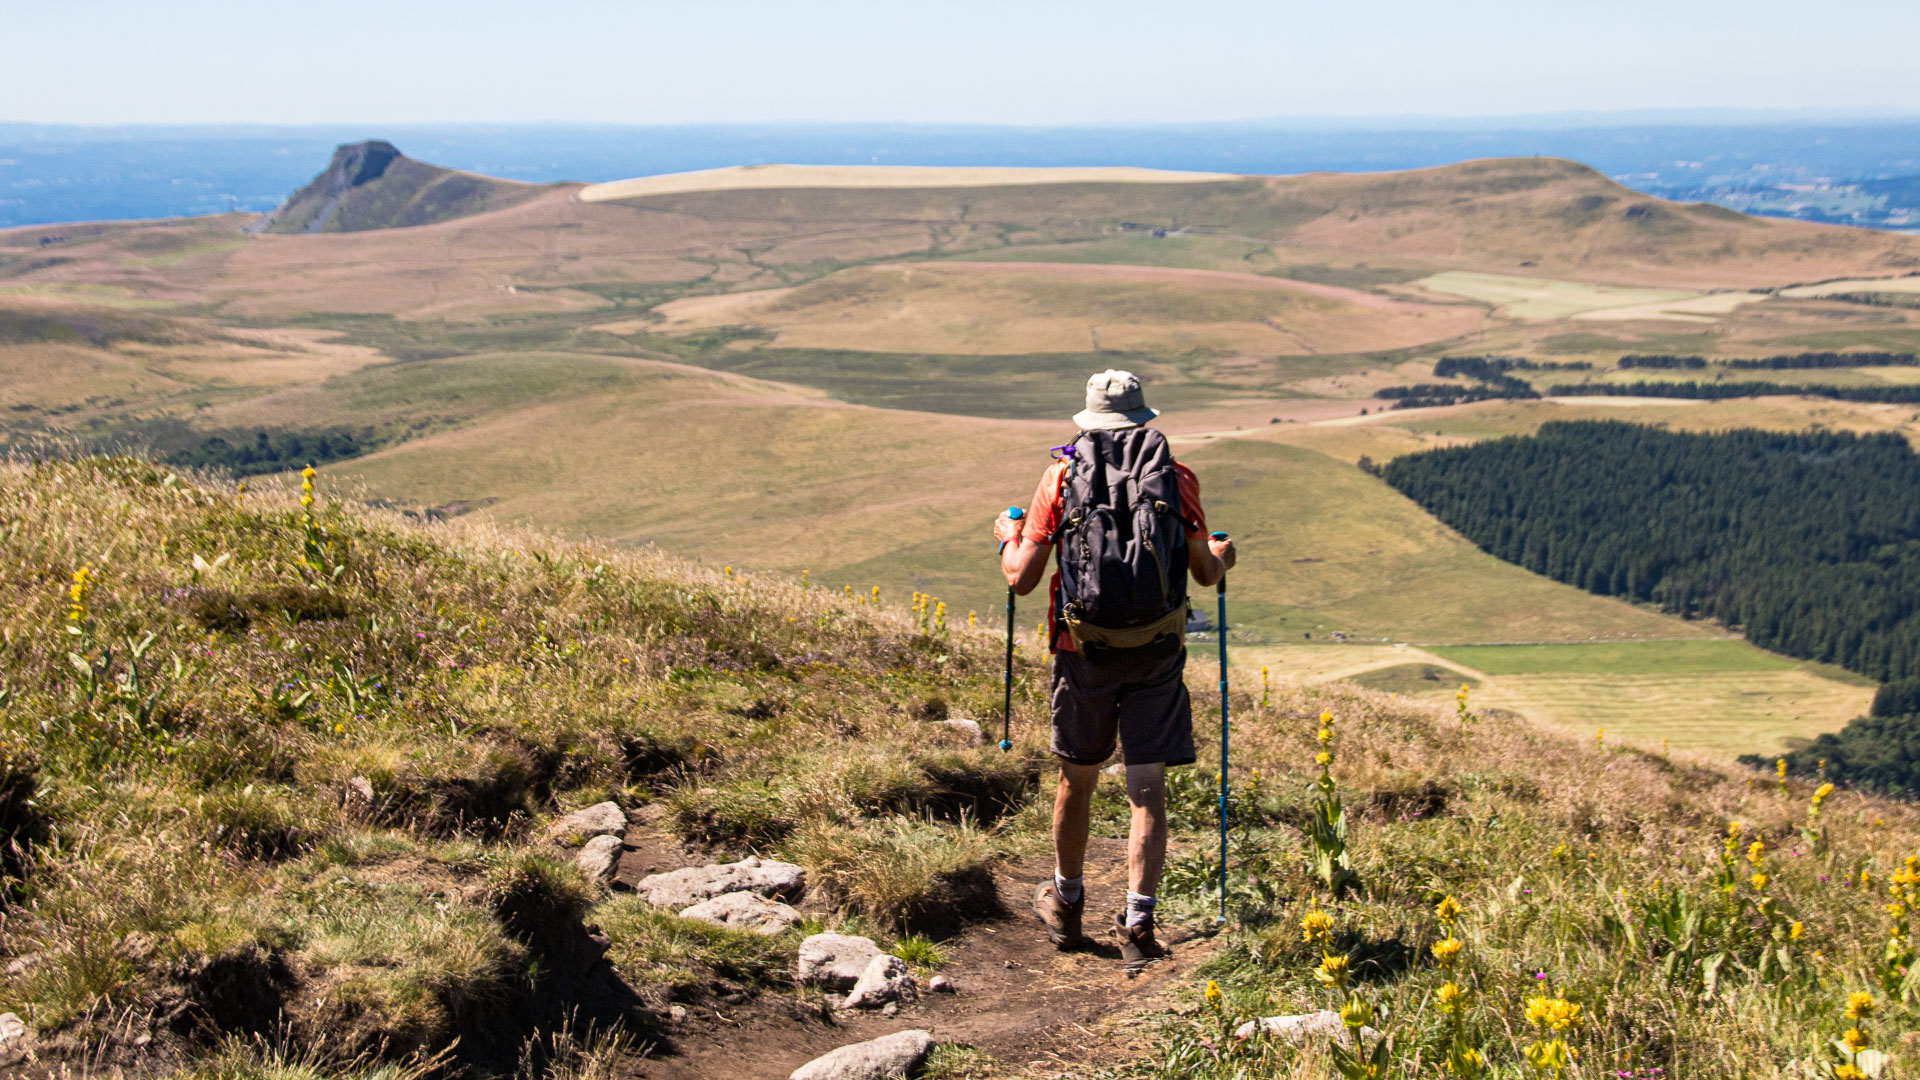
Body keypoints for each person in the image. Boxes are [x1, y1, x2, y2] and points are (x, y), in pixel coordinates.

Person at [993, 369, 1235, 970]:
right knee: (1146, 788)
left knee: (1078, 777)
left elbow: (1022, 579)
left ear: (1088, 420)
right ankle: (1139, 919)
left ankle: (1068, 903)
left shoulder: (1061, 476)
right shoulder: (1176, 479)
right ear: (1143, 420)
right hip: (1157, 652)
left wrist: (1006, 538)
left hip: (1083, 652)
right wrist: (1224, 556)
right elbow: (1205, 574)